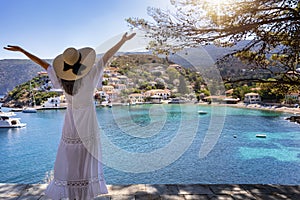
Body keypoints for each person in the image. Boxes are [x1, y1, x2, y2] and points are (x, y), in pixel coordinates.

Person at [4, 32, 136, 200]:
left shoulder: (62, 79)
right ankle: (84, 195)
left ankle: (74, 195)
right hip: (88, 122)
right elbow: (108, 56)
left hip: (71, 123)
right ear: (81, 62)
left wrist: (22, 50)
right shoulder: (91, 75)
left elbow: (43, 64)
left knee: (71, 160)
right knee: (86, 159)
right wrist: (122, 41)